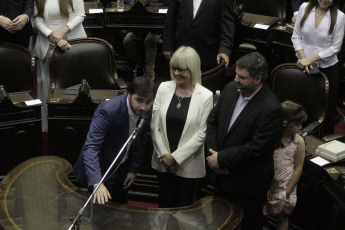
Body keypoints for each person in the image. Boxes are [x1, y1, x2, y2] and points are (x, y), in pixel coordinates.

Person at [206, 52, 283, 230]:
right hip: (221, 178)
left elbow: (256, 148)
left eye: (242, 77)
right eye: (236, 75)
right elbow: (212, 123)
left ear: (257, 79)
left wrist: (222, 159)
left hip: (247, 185)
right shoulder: (230, 89)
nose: (236, 79)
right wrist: (214, 157)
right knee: (219, 223)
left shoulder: (271, 109)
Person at [73, 76, 155, 205]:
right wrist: (97, 182)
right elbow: (91, 148)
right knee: (100, 216)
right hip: (102, 170)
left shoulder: (147, 111)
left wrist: (133, 169)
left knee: (119, 211)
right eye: (139, 100)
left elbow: (141, 140)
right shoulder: (108, 111)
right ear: (129, 94)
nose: (143, 107)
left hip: (123, 170)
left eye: (148, 102)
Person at [151, 46, 213, 208]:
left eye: (182, 69)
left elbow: (202, 134)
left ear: (192, 69)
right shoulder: (164, 88)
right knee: (164, 206)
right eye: (174, 68)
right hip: (163, 161)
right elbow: (154, 125)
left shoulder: (206, 96)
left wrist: (175, 158)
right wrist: (165, 156)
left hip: (188, 165)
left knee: (183, 212)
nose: (176, 73)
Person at [291, 0, 345, 135]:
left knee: (326, 110)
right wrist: (303, 58)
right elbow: (296, 36)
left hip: (327, 68)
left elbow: (335, 48)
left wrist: (311, 59)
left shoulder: (339, 16)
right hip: (303, 65)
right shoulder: (304, 8)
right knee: (302, 104)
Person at [33, 0, 87, 132]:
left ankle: (71, 124)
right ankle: (48, 127)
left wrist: (61, 32)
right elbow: (38, 20)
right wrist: (53, 36)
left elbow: (80, 15)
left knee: (72, 85)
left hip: (72, 43)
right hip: (46, 42)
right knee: (47, 85)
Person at [264, 100, 307, 230]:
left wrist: (286, 192)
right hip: (268, 184)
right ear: (285, 124)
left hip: (285, 186)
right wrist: (266, 188)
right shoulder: (270, 138)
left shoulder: (298, 141)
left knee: (282, 217)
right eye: (297, 124)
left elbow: (298, 168)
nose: (300, 128)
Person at [162, 0, 235, 72]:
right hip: (181, 50)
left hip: (208, 53)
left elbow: (227, 27)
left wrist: (224, 51)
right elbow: (170, 18)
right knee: (179, 80)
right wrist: (167, 45)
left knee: (205, 82)